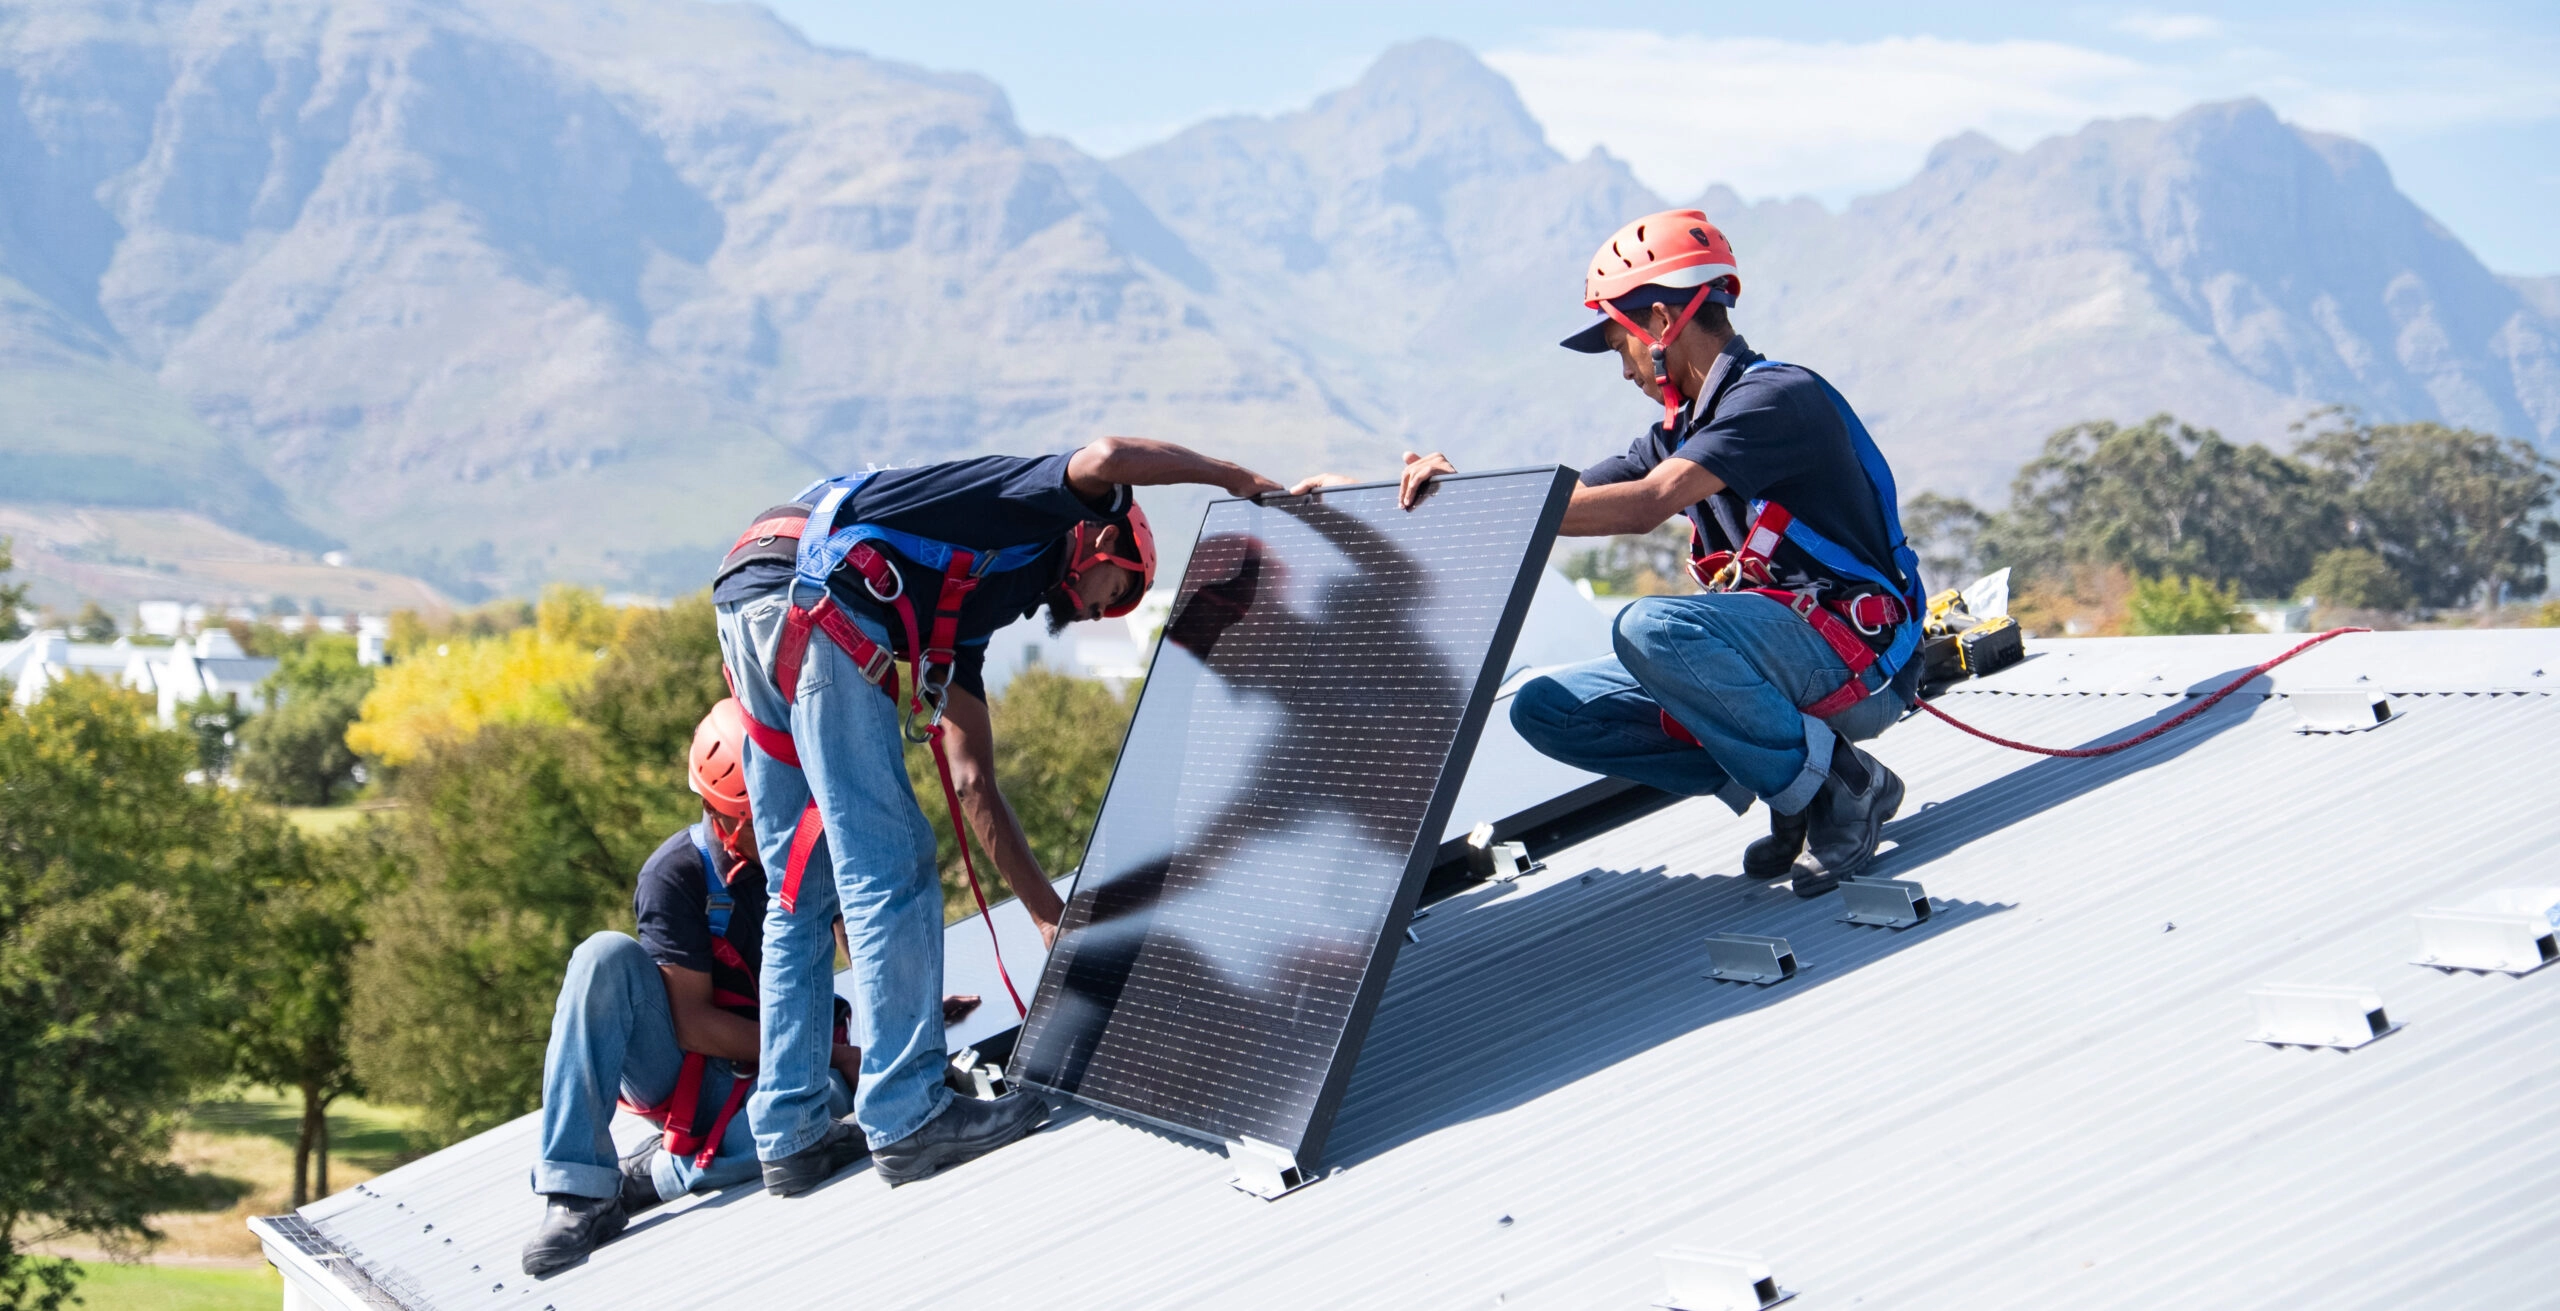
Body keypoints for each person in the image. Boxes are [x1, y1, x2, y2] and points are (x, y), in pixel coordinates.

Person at [711, 438, 1284, 1196]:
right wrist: (1236, 476)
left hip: (749, 591)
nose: (1098, 612)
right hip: (819, 600)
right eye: (1117, 590)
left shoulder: (969, 603)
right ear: (1105, 540)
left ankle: (790, 1132)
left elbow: (973, 778)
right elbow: (1109, 455)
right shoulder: (1038, 510)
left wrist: (1048, 917)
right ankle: (909, 1115)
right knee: (889, 865)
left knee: (798, 885)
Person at [1297, 209, 1923, 896]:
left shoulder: (1775, 399)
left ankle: (1841, 785)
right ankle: (1800, 788)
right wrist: (1396, 493)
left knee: (1649, 627)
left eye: (1618, 343)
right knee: (1546, 708)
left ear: (1660, 323)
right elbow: (1548, 504)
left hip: (1859, 664)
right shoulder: (1678, 432)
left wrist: (1464, 498)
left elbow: (1651, 499)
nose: (1624, 370)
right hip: (1784, 660)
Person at [520, 699, 980, 1275]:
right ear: (731, 819)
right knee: (600, 956)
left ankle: (655, 1177)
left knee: (833, 1110)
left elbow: (855, 939)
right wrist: (836, 1053)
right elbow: (694, 1023)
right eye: (773, 813)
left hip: (777, 1075)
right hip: (694, 1067)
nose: (791, 820)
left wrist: (910, 1016)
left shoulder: (807, 850)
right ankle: (579, 1190)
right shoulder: (676, 877)